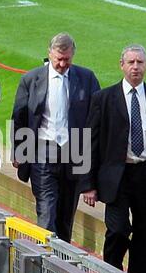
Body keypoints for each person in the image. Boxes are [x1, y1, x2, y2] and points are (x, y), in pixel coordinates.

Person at [83, 44, 146, 273]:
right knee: (117, 229)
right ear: (122, 65)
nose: (135, 67)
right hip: (117, 176)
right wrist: (87, 184)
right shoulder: (103, 98)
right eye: (131, 62)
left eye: (140, 62)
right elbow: (89, 142)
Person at [11, 33, 100, 242]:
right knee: (47, 213)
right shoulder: (31, 80)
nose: (62, 64)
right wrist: (19, 151)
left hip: (74, 156)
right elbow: (20, 117)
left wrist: (91, 167)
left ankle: (61, 269)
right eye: (58, 59)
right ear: (49, 54)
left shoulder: (87, 79)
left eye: (66, 59)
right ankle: (45, 264)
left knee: (65, 218)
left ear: (73, 56)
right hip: (42, 154)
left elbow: (96, 122)